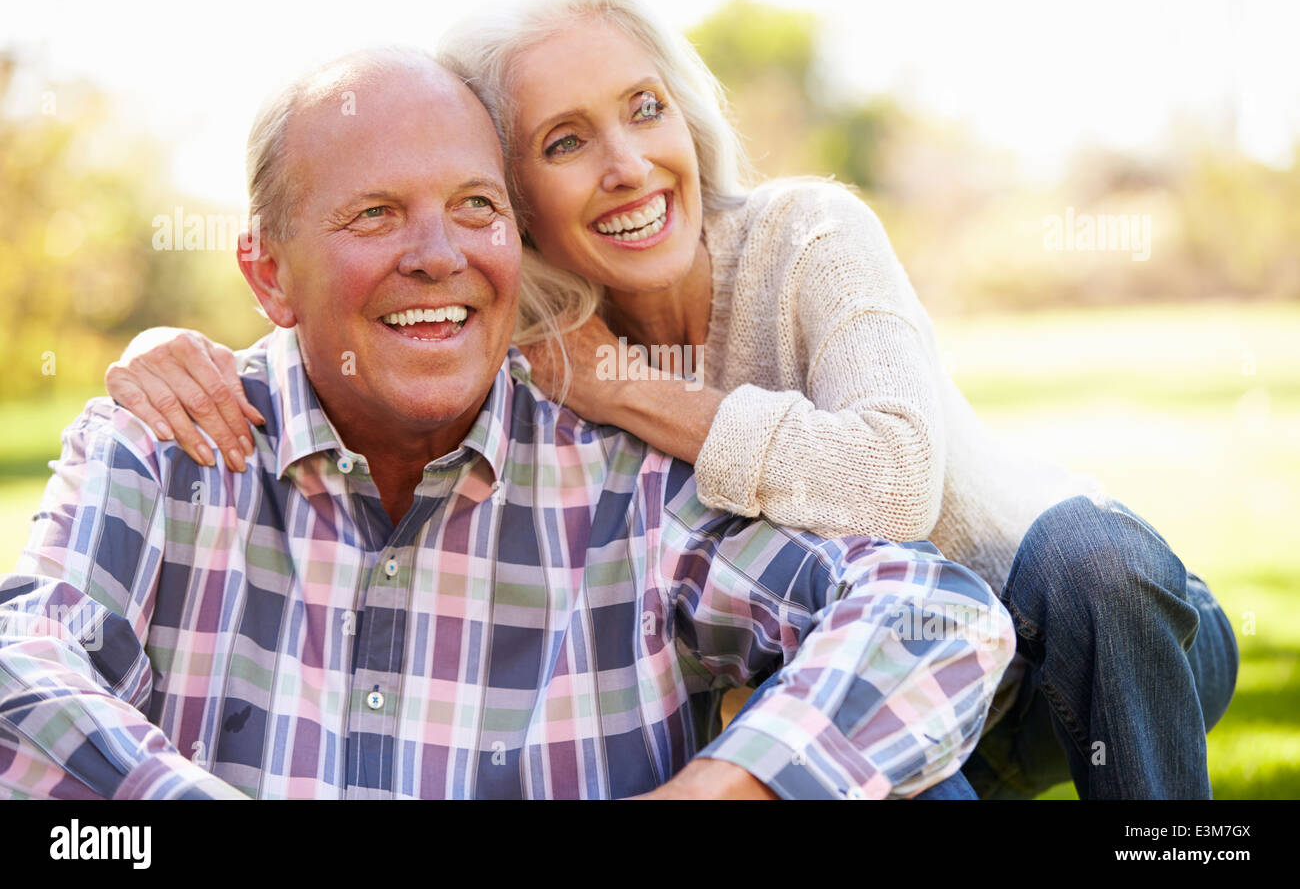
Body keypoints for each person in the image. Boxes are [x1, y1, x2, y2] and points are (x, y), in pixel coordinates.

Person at [104, 0, 1237, 799]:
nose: (630, 164)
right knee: (844, 753)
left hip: (1082, 646)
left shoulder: (807, 232)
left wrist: (630, 389)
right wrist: (171, 345)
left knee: (1092, 554)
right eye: (565, 140)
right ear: (510, 192)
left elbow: (892, 483)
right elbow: (365, 315)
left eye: (645, 108)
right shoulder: (532, 334)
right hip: (901, 685)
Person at [0, 49, 1015, 800]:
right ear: (267, 271)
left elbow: (936, 612)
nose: (439, 254)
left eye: (477, 207)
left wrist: (727, 785)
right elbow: (23, 662)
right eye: (375, 214)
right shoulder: (169, 448)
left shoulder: (621, 485)